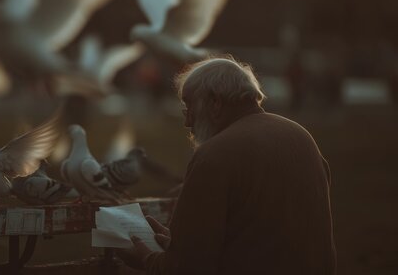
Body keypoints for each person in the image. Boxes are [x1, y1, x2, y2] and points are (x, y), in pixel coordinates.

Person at [117, 56, 336, 274]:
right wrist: (179, 245)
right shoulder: (301, 136)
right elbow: (265, 234)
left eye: (188, 108)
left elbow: (186, 269)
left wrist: (148, 259)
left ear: (215, 102)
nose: (187, 123)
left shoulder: (214, 155)